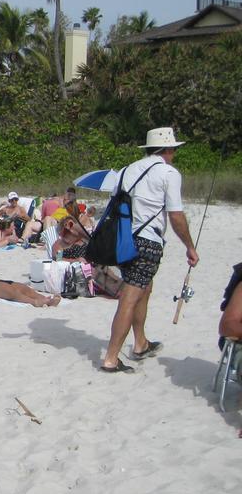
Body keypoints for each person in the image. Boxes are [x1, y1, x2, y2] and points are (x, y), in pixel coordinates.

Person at [100, 127, 198, 373]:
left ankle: (141, 342)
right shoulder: (168, 173)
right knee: (130, 296)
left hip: (122, 240)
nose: (174, 154)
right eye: (174, 150)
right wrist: (190, 246)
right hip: (147, 242)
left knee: (144, 287)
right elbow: (175, 215)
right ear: (167, 150)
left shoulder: (125, 171)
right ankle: (111, 357)